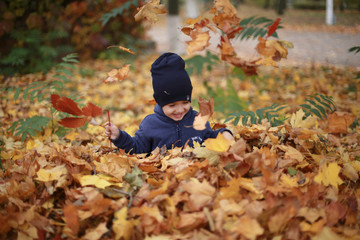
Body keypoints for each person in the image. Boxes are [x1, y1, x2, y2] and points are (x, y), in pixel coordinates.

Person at [105, 52, 233, 154]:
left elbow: (210, 137)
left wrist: (224, 134)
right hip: (163, 179)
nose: (179, 110)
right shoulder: (150, 124)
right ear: (160, 103)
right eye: (172, 105)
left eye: (185, 102)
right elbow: (136, 146)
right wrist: (118, 136)